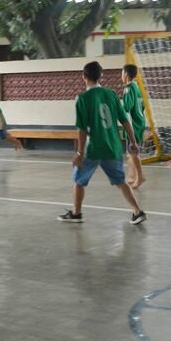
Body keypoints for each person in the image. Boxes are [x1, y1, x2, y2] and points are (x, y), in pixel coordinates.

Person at [58, 61, 146, 225]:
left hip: (93, 148)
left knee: (79, 181)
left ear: (83, 76)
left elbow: (82, 129)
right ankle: (137, 211)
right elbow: (125, 120)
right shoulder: (111, 94)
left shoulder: (82, 98)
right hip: (113, 146)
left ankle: (76, 214)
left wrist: (79, 153)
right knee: (120, 181)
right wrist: (133, 142)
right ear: (101, 76)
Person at [121, 64, 146, 189]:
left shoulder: (128, 88)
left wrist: (118, 108)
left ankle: (139, 177)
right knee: (132, 152)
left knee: (133, 151)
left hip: (133, 124)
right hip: (140, 121)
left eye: (121, 73)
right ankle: (133, 176)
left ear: (125, 74)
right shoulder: (137, 87)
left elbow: (127, 107)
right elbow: (143, 105)